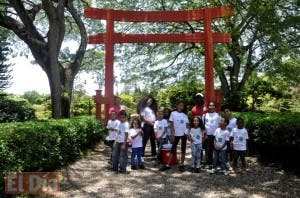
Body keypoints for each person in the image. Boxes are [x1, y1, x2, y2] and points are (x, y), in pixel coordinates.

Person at [160, 101, 189, 172]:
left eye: (182, 106)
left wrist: (187, 133)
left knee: (183, 148)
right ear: (177, 105)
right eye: (179, 105)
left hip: (184, 134)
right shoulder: (173, 113)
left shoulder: (185, 115)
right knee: (173, 148)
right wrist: (172, 133)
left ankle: (182, 164)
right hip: (176, 134)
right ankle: (168, 164)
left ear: (183, 107)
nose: (181, 107)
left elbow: (187, 125)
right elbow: (171, 124)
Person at [202, 101, 221, 167]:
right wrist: (204, 134)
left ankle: (216, 162)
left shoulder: (218, 115)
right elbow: (203, 125)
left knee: (216, 148)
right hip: (208, 134)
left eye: (213, 105)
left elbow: (220, 125)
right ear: (208, 107)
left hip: (216, 135)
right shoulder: (205, 115)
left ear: (215, 107)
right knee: (208, 149)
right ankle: (208, 162)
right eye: (210, 105)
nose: (211, 107)